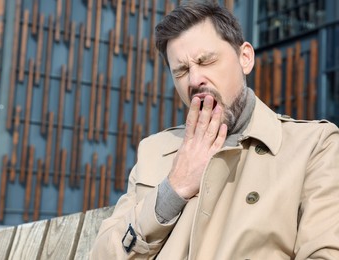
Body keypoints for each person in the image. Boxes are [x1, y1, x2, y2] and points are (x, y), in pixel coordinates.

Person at [90, 1, 339, 259]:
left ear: (245, 58)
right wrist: (173, 189)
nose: (195, 79)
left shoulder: (314, 146)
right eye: (182, 70)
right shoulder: (154, 150)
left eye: (206, 61)